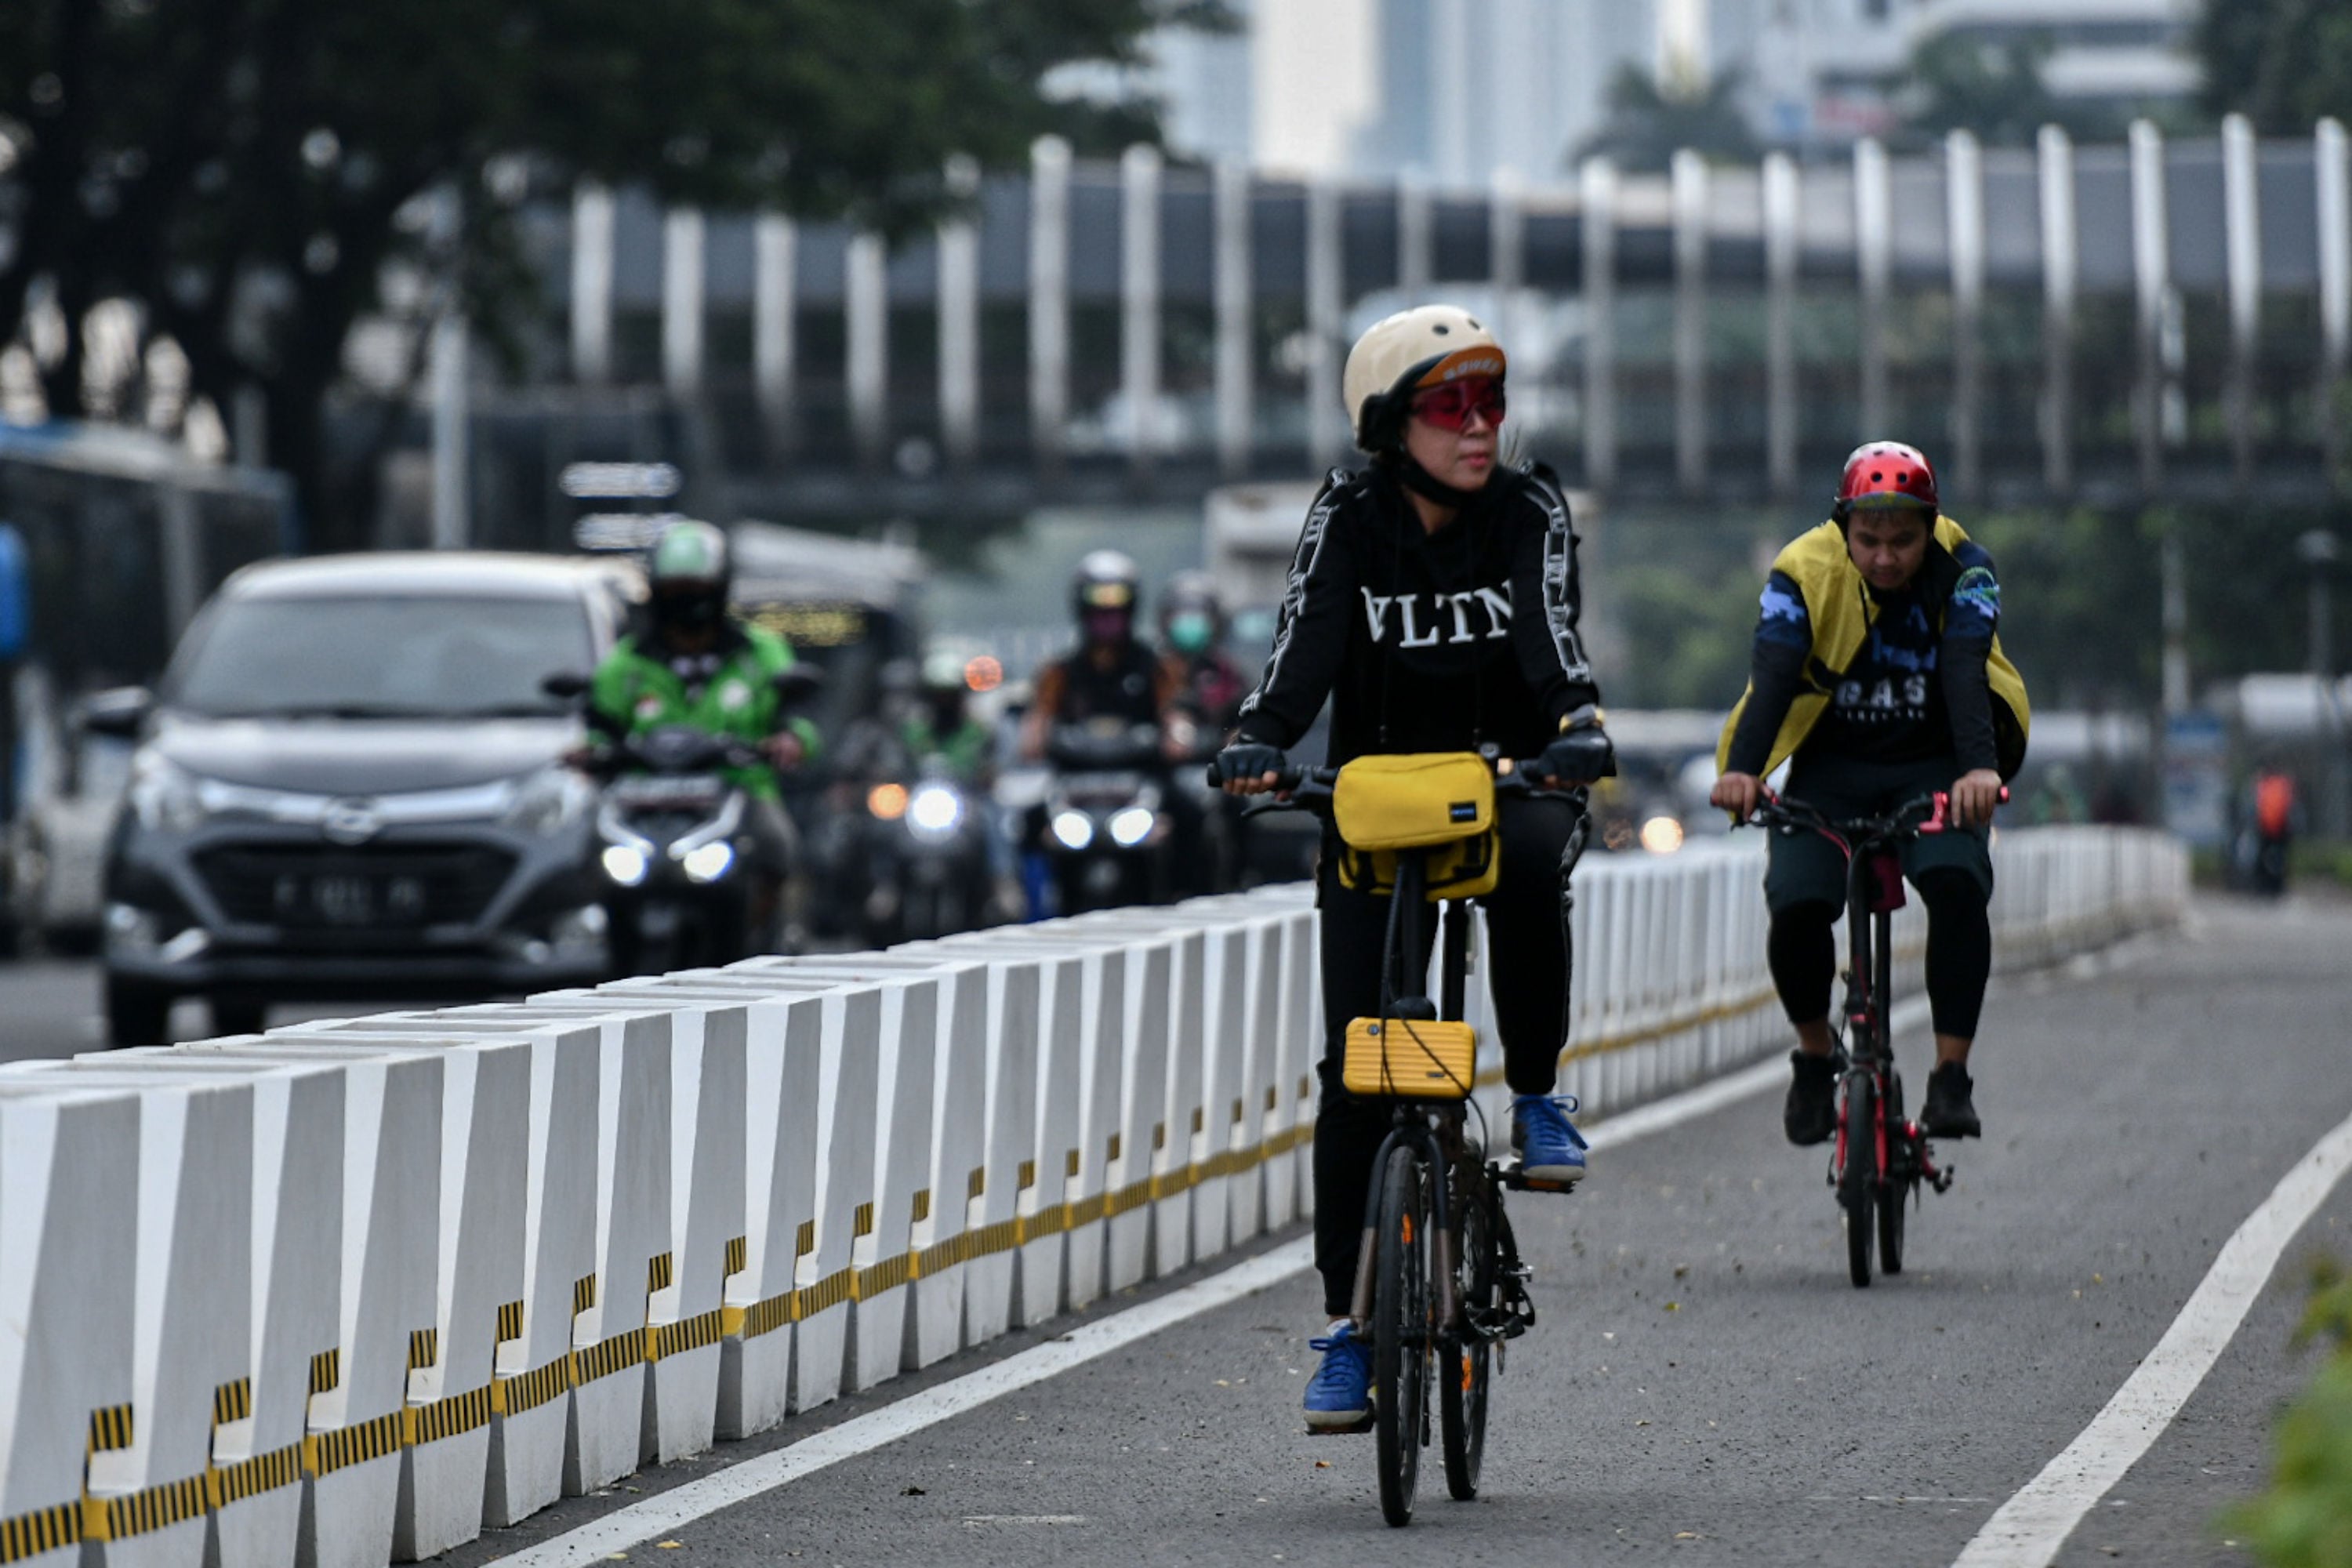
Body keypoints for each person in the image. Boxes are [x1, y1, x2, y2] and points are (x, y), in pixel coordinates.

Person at [1210, 303, 1614, 1432]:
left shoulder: (1530, 509)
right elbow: (1302, 645)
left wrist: (1577, 724)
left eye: (1491, 402)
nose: (1480, 426)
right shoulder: (1348, 514)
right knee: (1358, 1069)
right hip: (1378, 802)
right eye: (1451, 406)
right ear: (1391, 425)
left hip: (1512, 782)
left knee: (1529, 866)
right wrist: (1257, 737)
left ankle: (1536, 1094)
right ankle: (1349, 1324)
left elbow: (1551, 637)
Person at [1709, 441, 2029, 1152]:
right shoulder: (1801, 571)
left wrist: (1978, 771)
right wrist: (1744, 771)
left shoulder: (1966, 568)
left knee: (1956, 884)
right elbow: (1774, 672)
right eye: (1869, 541)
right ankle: (1814, 1055)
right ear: (1843, 527)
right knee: (1797, 902)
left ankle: (1951, 1074)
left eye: (1903, 542)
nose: (1885, 559)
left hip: (1935, 764)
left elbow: (1965, 666)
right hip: (1831, 767)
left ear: (1930, 529)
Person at [585, 519, 818, 932]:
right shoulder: (628, 662)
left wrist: (790, 741)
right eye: (675, 591)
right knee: (587, 847)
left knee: (779, 844)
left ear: (720, 590)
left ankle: (771, 933)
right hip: (643, 799)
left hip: (738, 790)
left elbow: (796, 720)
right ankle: (589, 930)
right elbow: (600, 721)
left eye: (697, 590)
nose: (687, 602)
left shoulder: (760, 653)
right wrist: (590, 751)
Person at [1018, 550, 1180, 761]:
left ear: (1130, 609)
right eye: (1099, 612)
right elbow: (1035, 730)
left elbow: (1175, 720)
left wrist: (1177, 735)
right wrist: (1034, 737)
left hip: (1146, 772)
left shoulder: (1157, 668)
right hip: (1071, 774)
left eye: (1115, 612)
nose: (1107, 619)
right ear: (1082, 610)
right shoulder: (1058, 672)